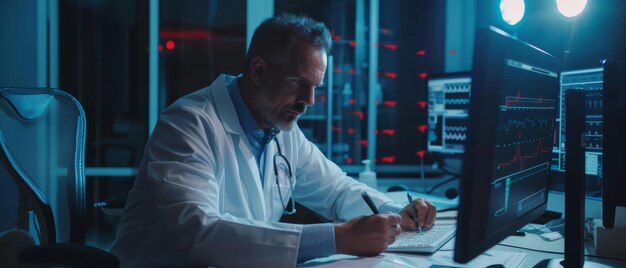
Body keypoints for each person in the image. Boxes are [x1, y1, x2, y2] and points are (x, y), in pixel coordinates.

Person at [111, 14, 437, 267]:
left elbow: (336, 188)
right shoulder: (189, 124)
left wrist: (396, 211)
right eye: (298, 82)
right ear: (258, 71)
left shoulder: (282, 129)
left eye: (315, 86)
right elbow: (199, 231)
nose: (309, 100)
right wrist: (338, 238)